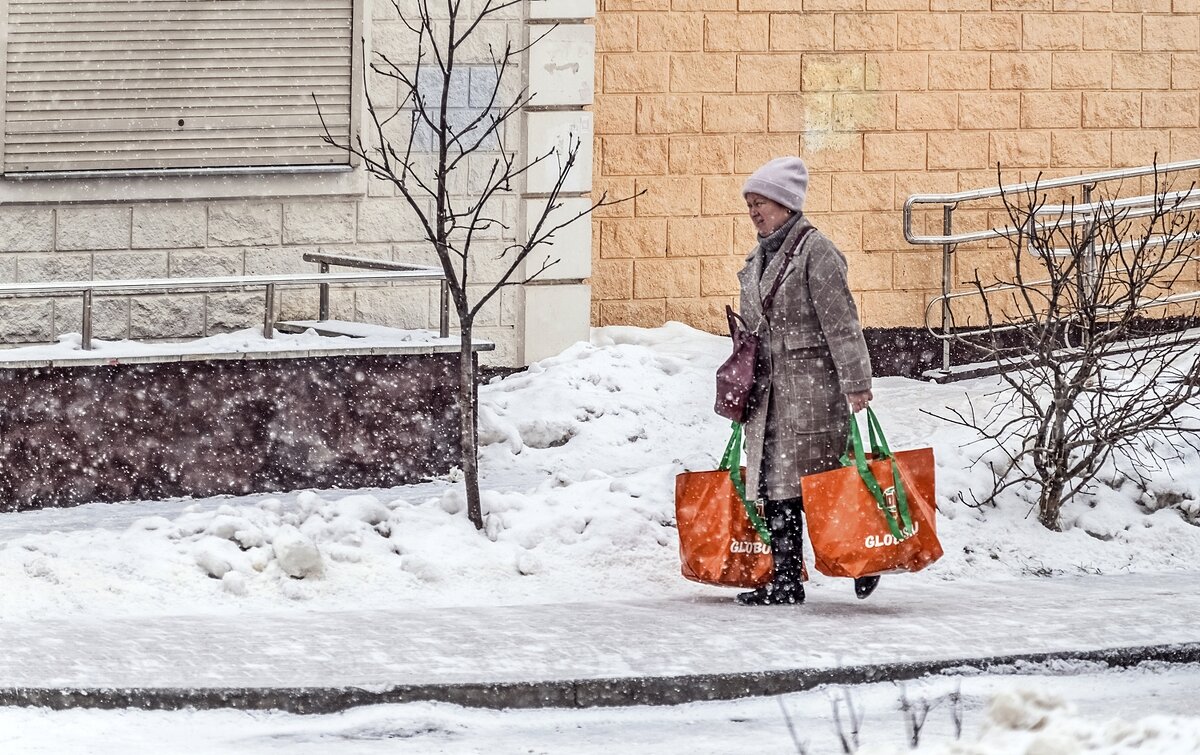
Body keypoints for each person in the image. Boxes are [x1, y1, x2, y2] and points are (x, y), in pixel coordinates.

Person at [734, 156, 878, 606]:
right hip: (770, 395)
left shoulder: (817, 252)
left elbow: (842, 324)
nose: (756, 213)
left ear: (786, 204)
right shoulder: (757, 258)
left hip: (811, 392)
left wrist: (856, 382)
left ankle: (863, 560)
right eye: (751, 205)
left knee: (824, 486)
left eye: (763, 203)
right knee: (776, 488)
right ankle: (785, 580)